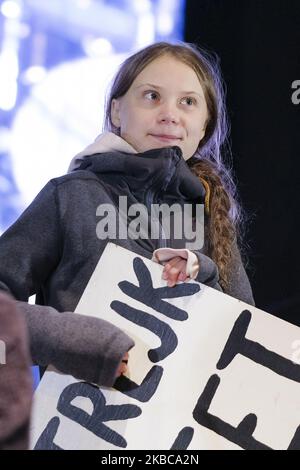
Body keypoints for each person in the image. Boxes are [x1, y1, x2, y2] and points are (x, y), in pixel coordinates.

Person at [0, 41, 254, 387]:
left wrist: (204, 272)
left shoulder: (210, 214)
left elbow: (246, 346)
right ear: (117, 111)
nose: (169, 113)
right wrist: (72, 340)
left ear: (205, 124)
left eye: (188, 102)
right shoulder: (72, 194)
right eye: (151, 96)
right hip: (79, 434)